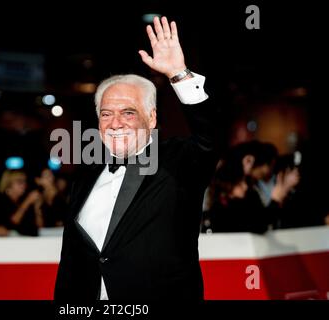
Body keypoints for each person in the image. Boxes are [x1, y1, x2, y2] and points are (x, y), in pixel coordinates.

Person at [54, 16, 218, 300]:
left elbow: (210, 138)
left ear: (151, 118)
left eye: (128, 113)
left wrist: (178, 73)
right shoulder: (86, 174)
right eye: (106, 114)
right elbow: (71, 258)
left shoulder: (177, 163)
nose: (115, 123)